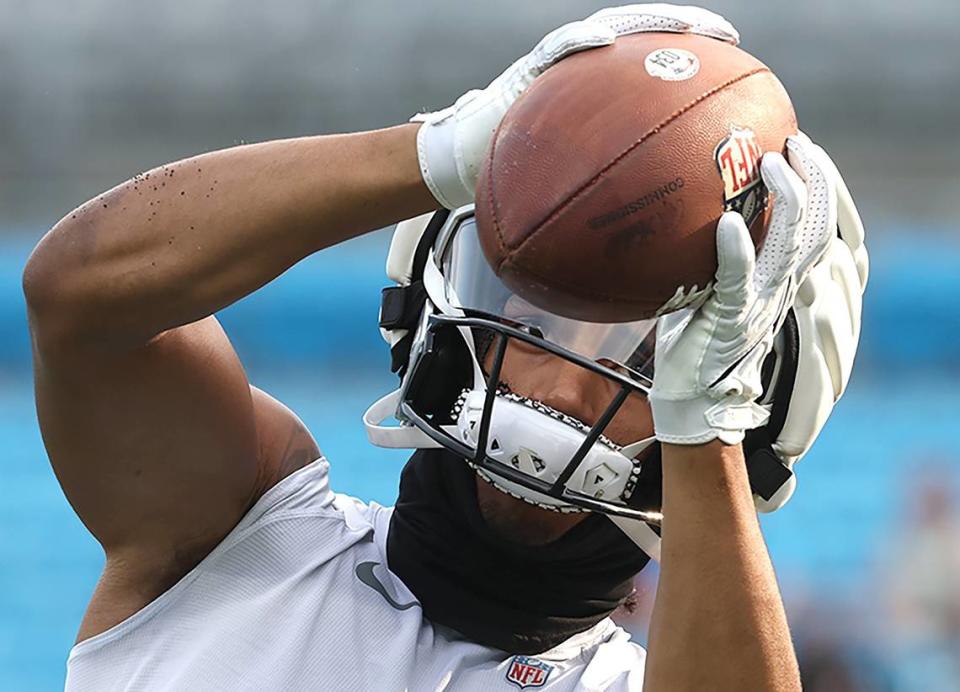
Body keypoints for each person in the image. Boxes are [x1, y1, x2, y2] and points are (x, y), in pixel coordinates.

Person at [22, 5, 868, 691]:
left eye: (645, 350)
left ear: (761, 401)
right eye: (534, 306)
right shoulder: (238, 533)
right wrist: (444, 149)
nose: (563, 375)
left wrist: (704, 429)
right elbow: (79, 298)